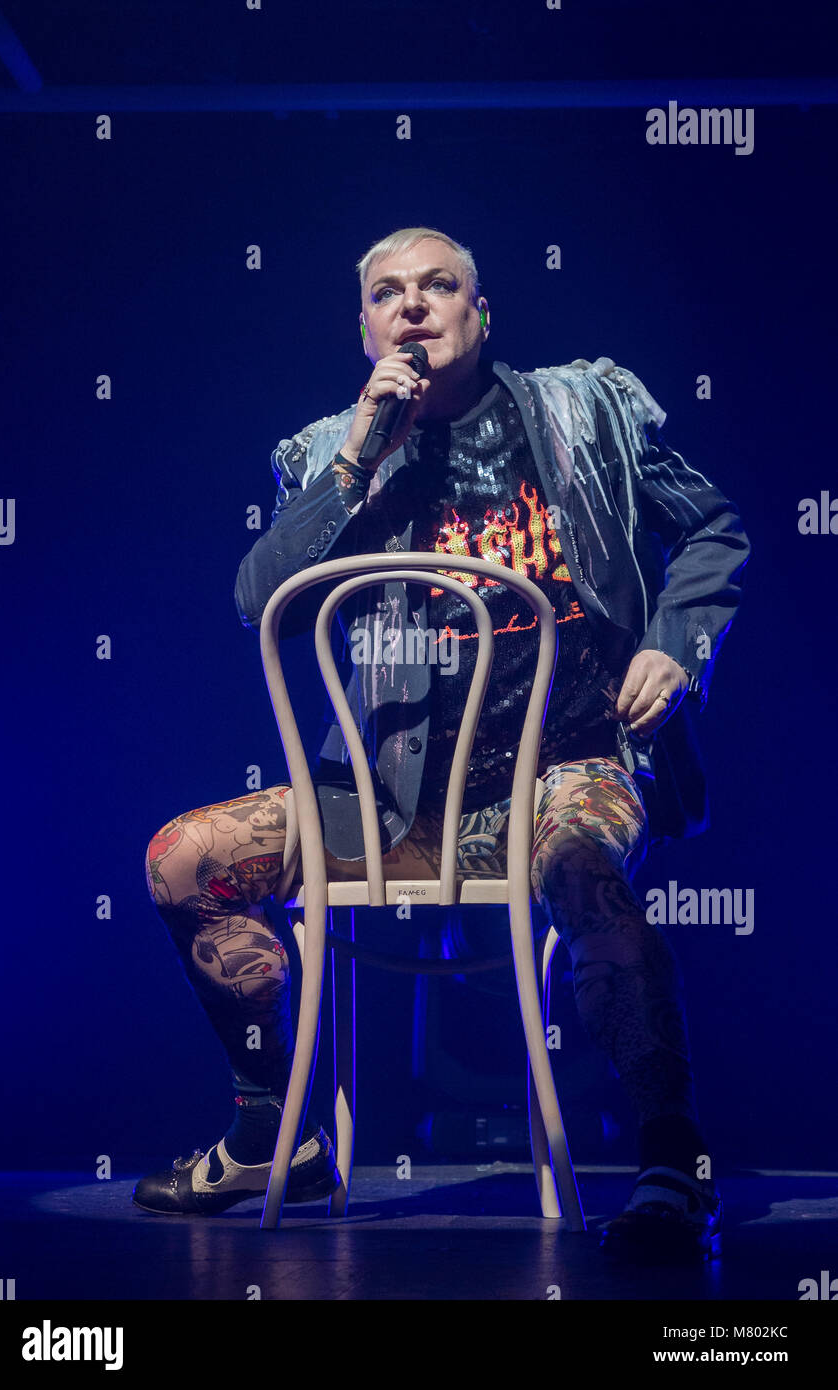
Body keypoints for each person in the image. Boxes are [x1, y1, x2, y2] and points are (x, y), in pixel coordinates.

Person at [134, 226, 749, 1262]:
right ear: (364, 326)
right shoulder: (334, 446)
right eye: (388, 292)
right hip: (385, 805)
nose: (413, 305)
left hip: (566, 767)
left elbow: (712, 527)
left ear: (481, 312)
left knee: (581, 867)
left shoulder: (582, 411)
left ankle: (669, 1159)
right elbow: (258, 601)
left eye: (438, 285)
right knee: (180, 858)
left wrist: (673, 644)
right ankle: (267, 1135)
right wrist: (357, 453)